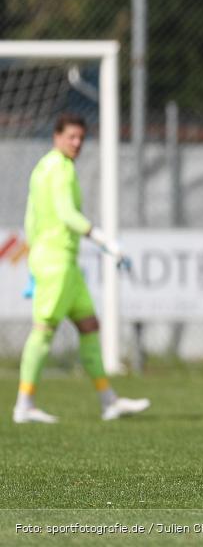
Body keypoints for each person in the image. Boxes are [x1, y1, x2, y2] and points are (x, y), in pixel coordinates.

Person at [13, 113, 150, 423]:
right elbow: (67, 214)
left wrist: (34, 256)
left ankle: (108, 401)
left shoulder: (43, 167)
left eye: (81, 138)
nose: (76, 143)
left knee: (89, 325)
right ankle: (24, 404)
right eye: (71, 137)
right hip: (56, 261)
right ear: (56, 136)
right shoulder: (60, 169)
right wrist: (106, 242)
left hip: (62, 262)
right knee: (43, 331)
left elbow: (31, 216)